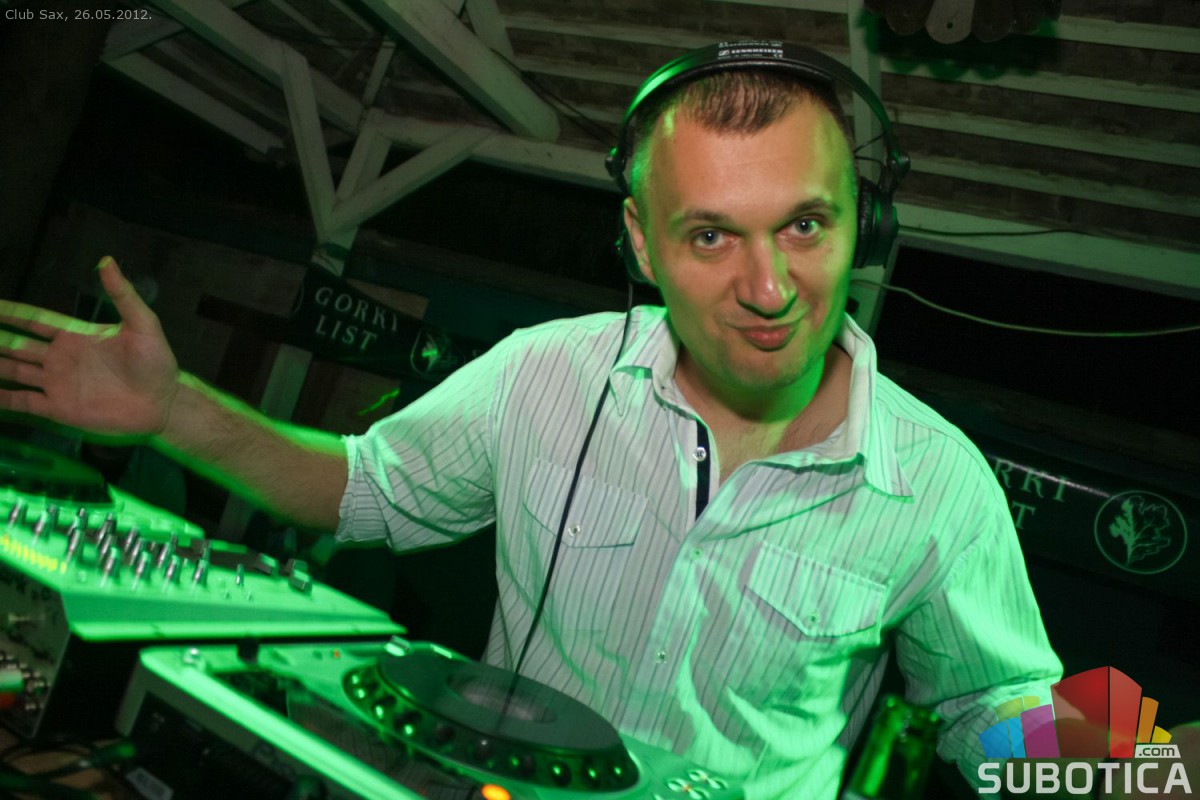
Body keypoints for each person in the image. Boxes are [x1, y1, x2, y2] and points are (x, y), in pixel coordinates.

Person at [0, 43, 1061, 800]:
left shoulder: (940, 482)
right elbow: (363, 487)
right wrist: (172, 409)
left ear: (862, 225)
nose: (768, 288)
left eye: (805, 225)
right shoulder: (545, 371)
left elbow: (1004, 710)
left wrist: (1125, 767)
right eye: (710, 236)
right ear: (640, 244)